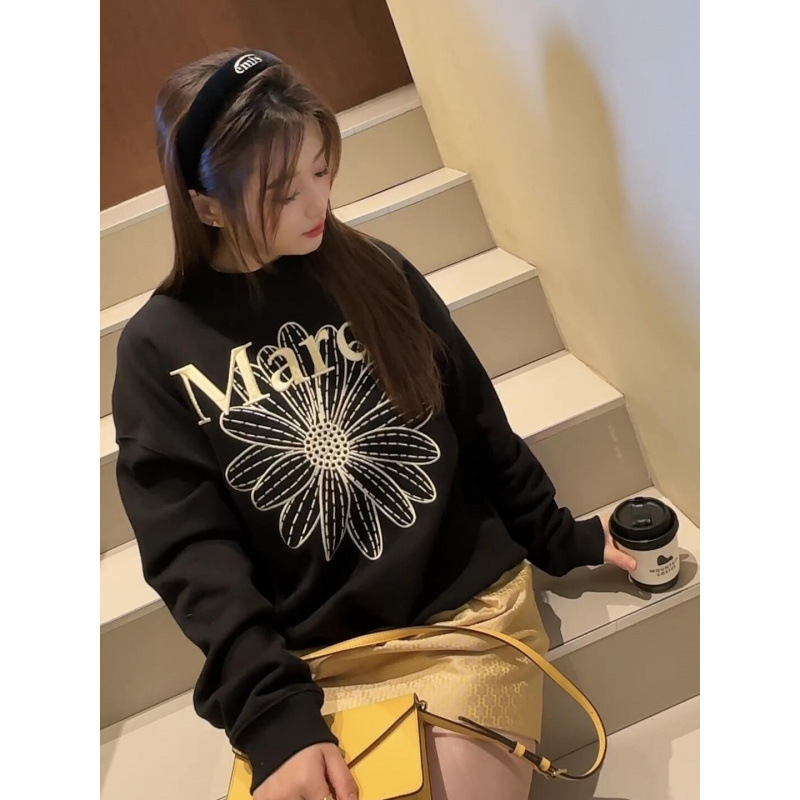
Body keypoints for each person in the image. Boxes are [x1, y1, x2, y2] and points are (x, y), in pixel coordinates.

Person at [111, 48, 637, 800]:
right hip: (316, 661)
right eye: (284, 192)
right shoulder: (157, 350)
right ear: (206, 207)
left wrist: (564, 538)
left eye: (321, 170)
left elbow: (477, 421)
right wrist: (273, 717)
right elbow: (193, 554)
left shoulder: (375, 271)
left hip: (466, 619)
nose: (317, 204)